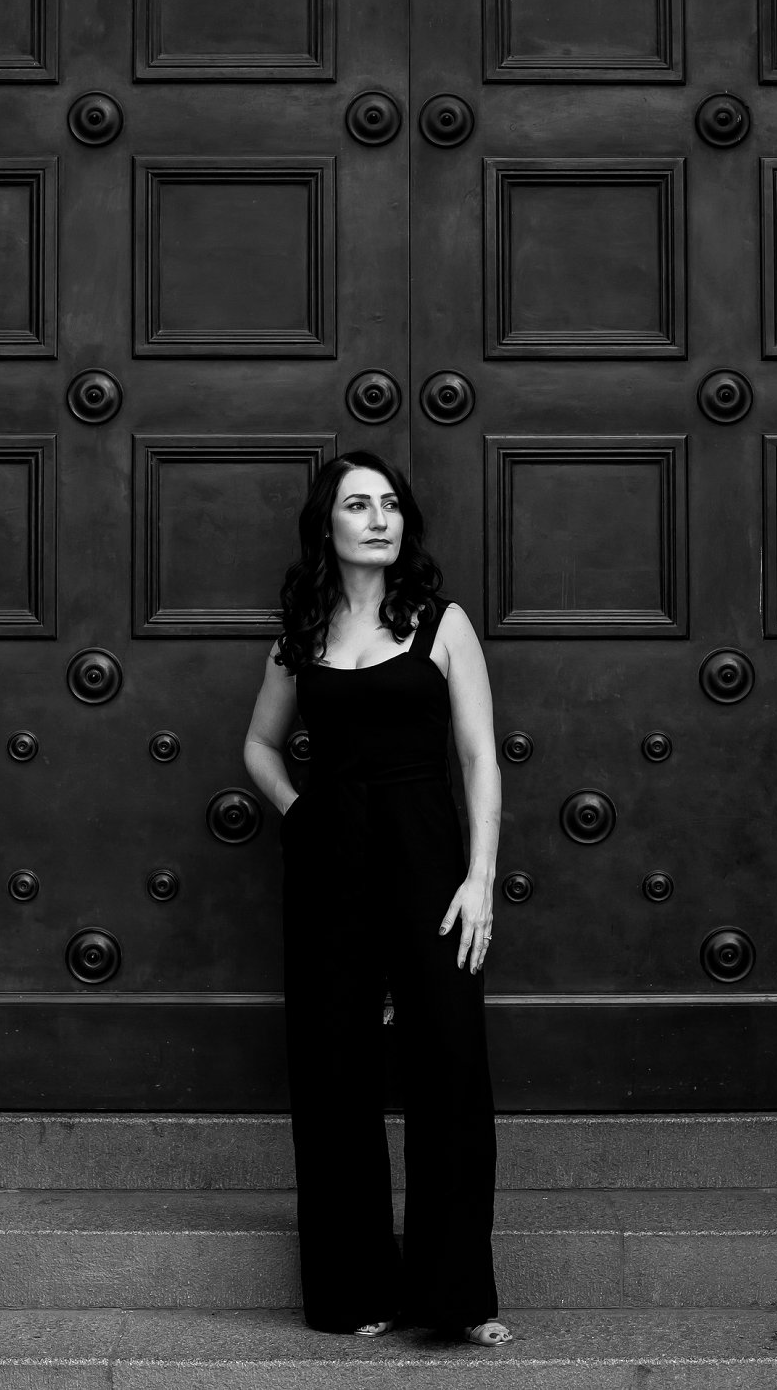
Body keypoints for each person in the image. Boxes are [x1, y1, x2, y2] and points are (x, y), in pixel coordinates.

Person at [244, 448, 513, 1346]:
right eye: (358, 504)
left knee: (450, 1066)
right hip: (331, 864)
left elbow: (478, 756)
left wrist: (479, 879)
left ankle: (456, 1296)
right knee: (334, 1072)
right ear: (326, 524)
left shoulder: (443, 622)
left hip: (429, 863)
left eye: (390, 504)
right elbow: (258, 744)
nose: (378, 518)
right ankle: (354, 1288)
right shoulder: (301, 631)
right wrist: (300, 812)